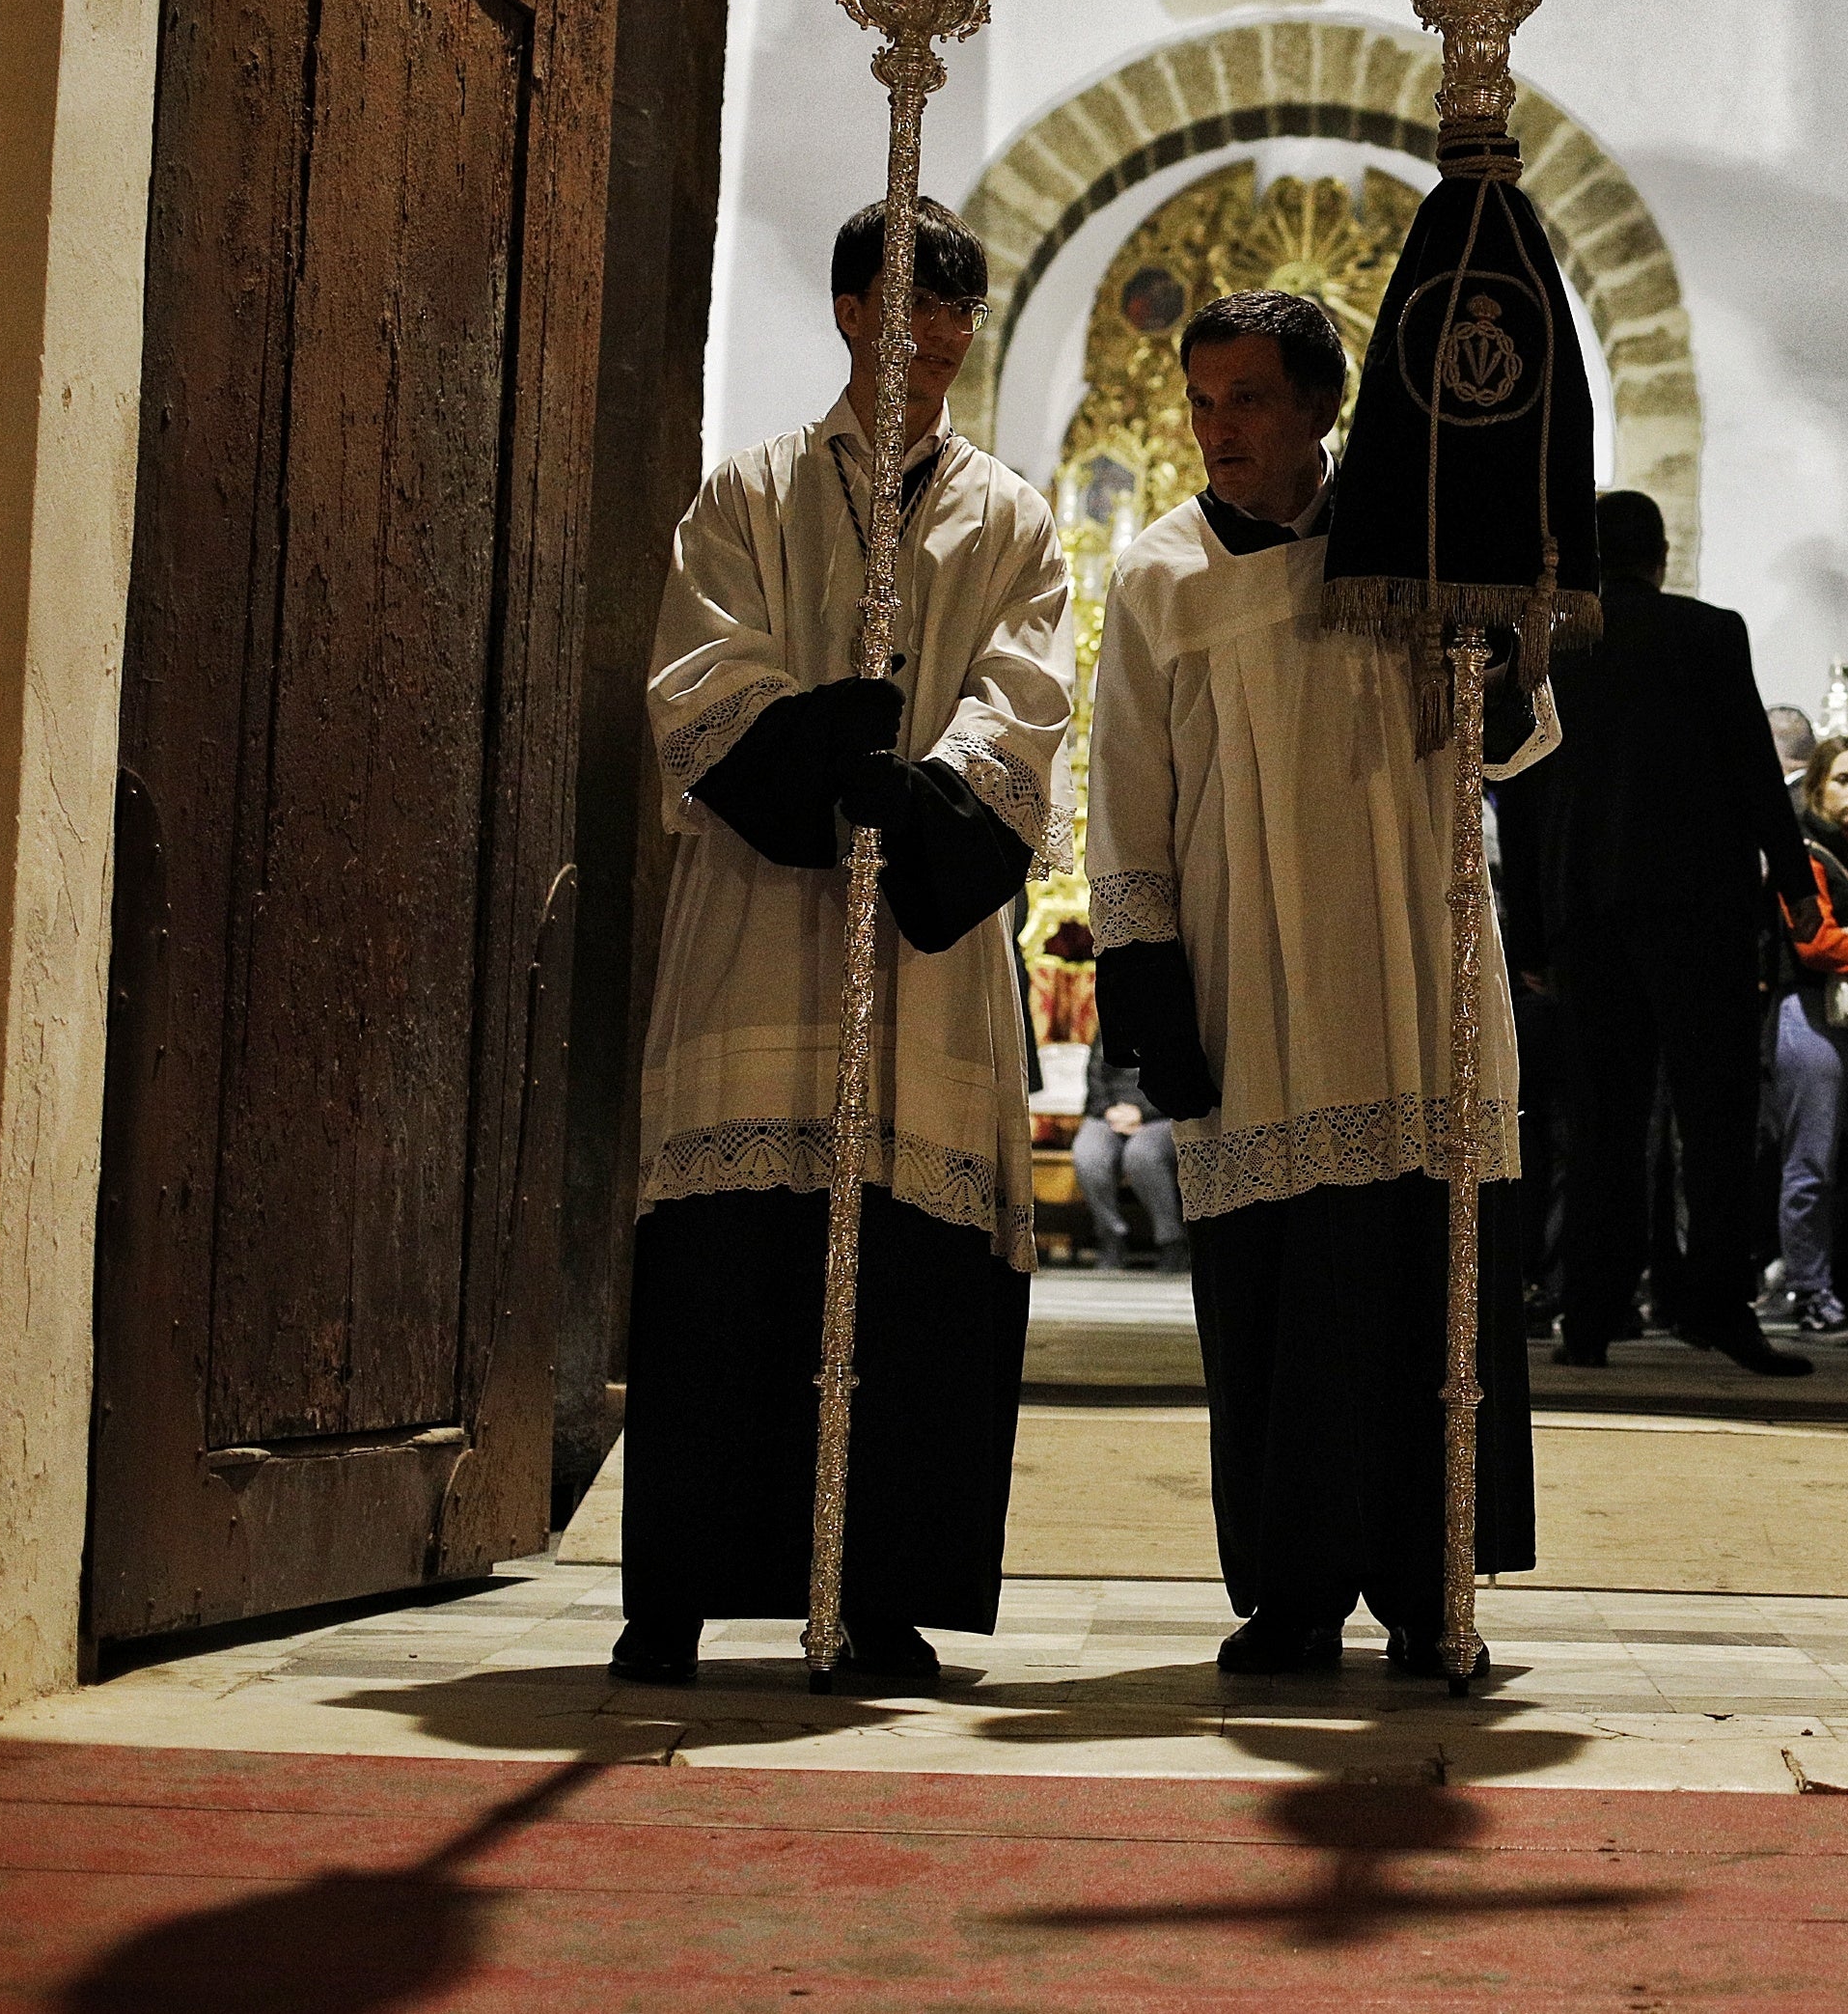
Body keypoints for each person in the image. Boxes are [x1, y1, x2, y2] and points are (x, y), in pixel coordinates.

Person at [620, 197, 1072, 1687]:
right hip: (762, 930)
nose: (932, 334)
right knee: (731, 1269)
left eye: (957, 310)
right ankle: (680, 1587)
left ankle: (883, 1591)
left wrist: (922, 795)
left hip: (922, 959)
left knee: (910, 1278)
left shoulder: (1010, 518)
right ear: (849, 311)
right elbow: (701, 669)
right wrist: (818, 745)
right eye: (908, 303)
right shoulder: (746, 492)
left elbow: (1024, 696)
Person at [1083, 290, 1540, 1674]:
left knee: (1421, 1278)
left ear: (1323, 407)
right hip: (1255, 971)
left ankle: (1427, 1584)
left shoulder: (1414, 545)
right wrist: (1145, 983)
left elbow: (1511, 743)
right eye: (1202, 400)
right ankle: (1291, 1591)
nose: (1218, 428)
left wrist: (1496, 663)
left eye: (1250, 399)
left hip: (1415, 961)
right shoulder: (1160, 575)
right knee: (1278, 1297)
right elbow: (1127, 794)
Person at [1496, 491, 1826, 1377]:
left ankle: (1590, 1314)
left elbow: (1519, 795)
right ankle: (1717, 1305)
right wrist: (1796, 883)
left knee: (1602, 1120)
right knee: (1715, 1116)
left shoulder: (1549, 648)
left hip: (1585, 917)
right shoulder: (1708, 633)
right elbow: (1753, 765)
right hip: (1698, 914)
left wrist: (1530, 936)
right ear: (1662, 555)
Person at [1773, 735, 1848, 1338]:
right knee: (1811, 1164)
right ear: (1817, 785)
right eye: (1843, 780)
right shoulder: (1801, 849)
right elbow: (1815, 943)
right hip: (1812, 1013)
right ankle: (1809, 1291)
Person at [1070, 1046, 1185, 1271]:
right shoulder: (1107, 1025)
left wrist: (1144, 1112)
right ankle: (1111, 1237)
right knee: (1088, 1154)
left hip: (1163, 1113)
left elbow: (1183, 1078)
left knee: (1141, 1154)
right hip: (1110, 1113)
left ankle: (1171, 1241)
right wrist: (1109, 1110)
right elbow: (1095, 1072)